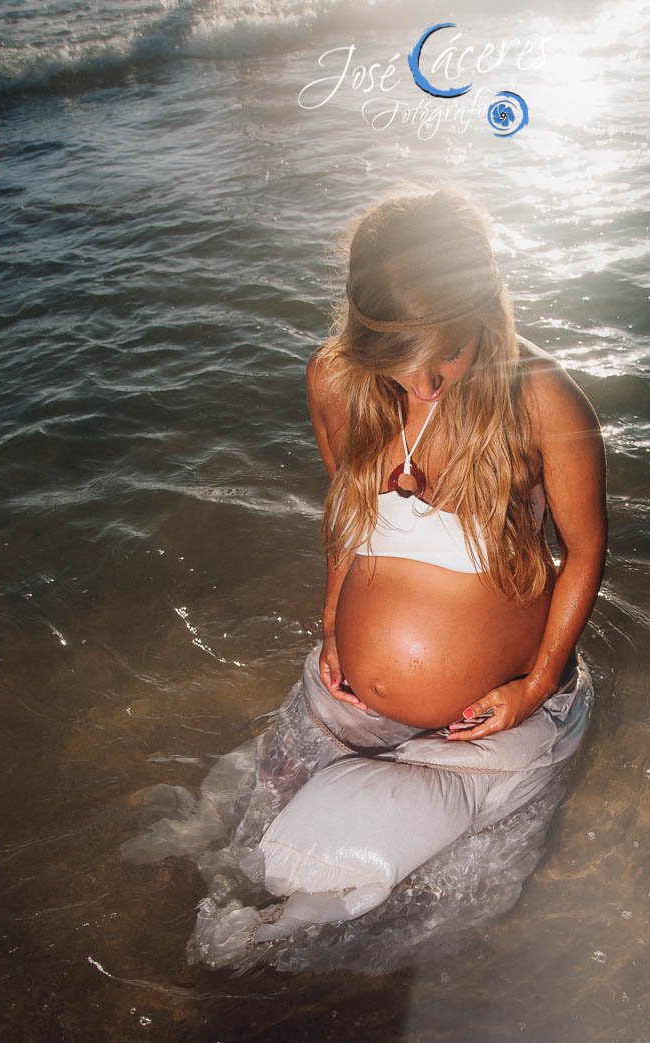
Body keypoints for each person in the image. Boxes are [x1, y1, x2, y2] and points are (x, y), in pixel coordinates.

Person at [122, 186, 607, 968]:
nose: (425, 384)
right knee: (252, 832)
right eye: (404, 364)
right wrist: (333, 628)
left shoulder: (541, 399)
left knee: (452, 900)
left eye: (447, 355)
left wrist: (539, 679)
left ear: (485, 306)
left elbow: (584, 549)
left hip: (501, 714)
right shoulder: (338, 380)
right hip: (349, 697)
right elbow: (350, 516)